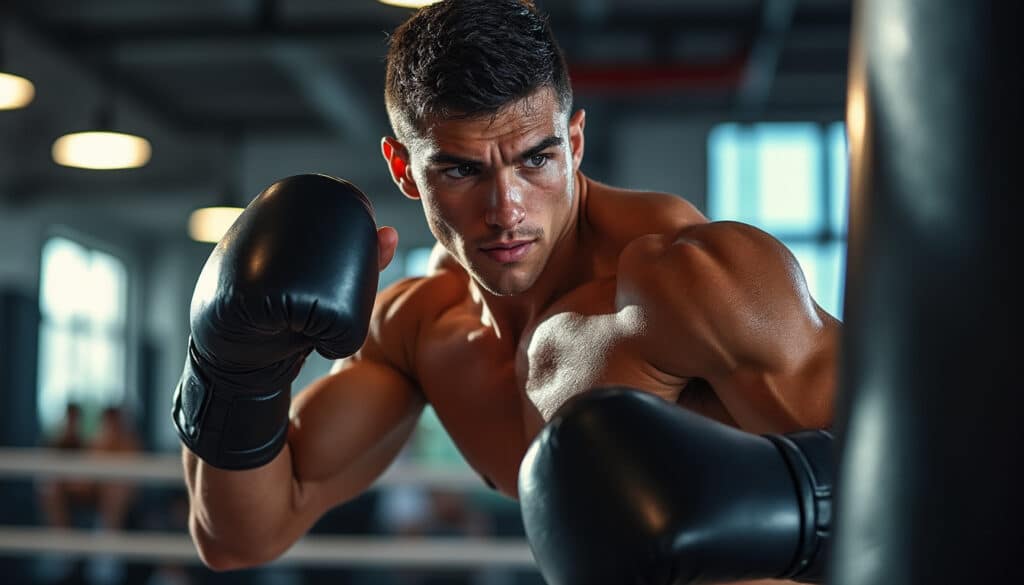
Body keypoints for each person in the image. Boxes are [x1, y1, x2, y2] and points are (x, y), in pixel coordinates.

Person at [173, 1, 839, 583]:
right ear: (405, 170)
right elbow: (240, 535)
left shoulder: (690, 282)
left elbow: (912, 495)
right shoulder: (419, 325)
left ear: (574, 141)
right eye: (462, 169)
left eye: (535, 159)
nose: (505, 209)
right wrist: (234, 366)